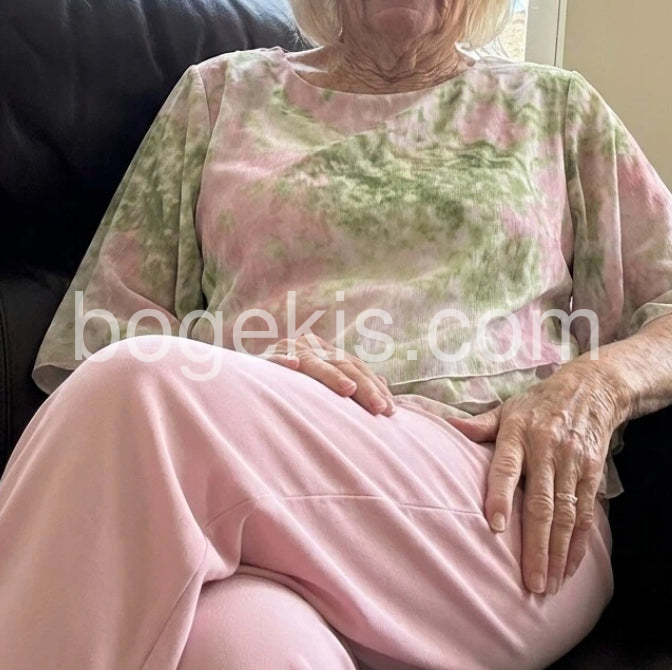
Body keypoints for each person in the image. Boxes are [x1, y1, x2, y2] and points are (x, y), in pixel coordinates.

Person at [2, 0, 672, 668]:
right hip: (249, 491)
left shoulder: (553, 106)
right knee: (230, 647)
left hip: (494, 505)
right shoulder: (220, 94)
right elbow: (104, 331)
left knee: (142, 390)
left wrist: (596, 384)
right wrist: (245, 362)